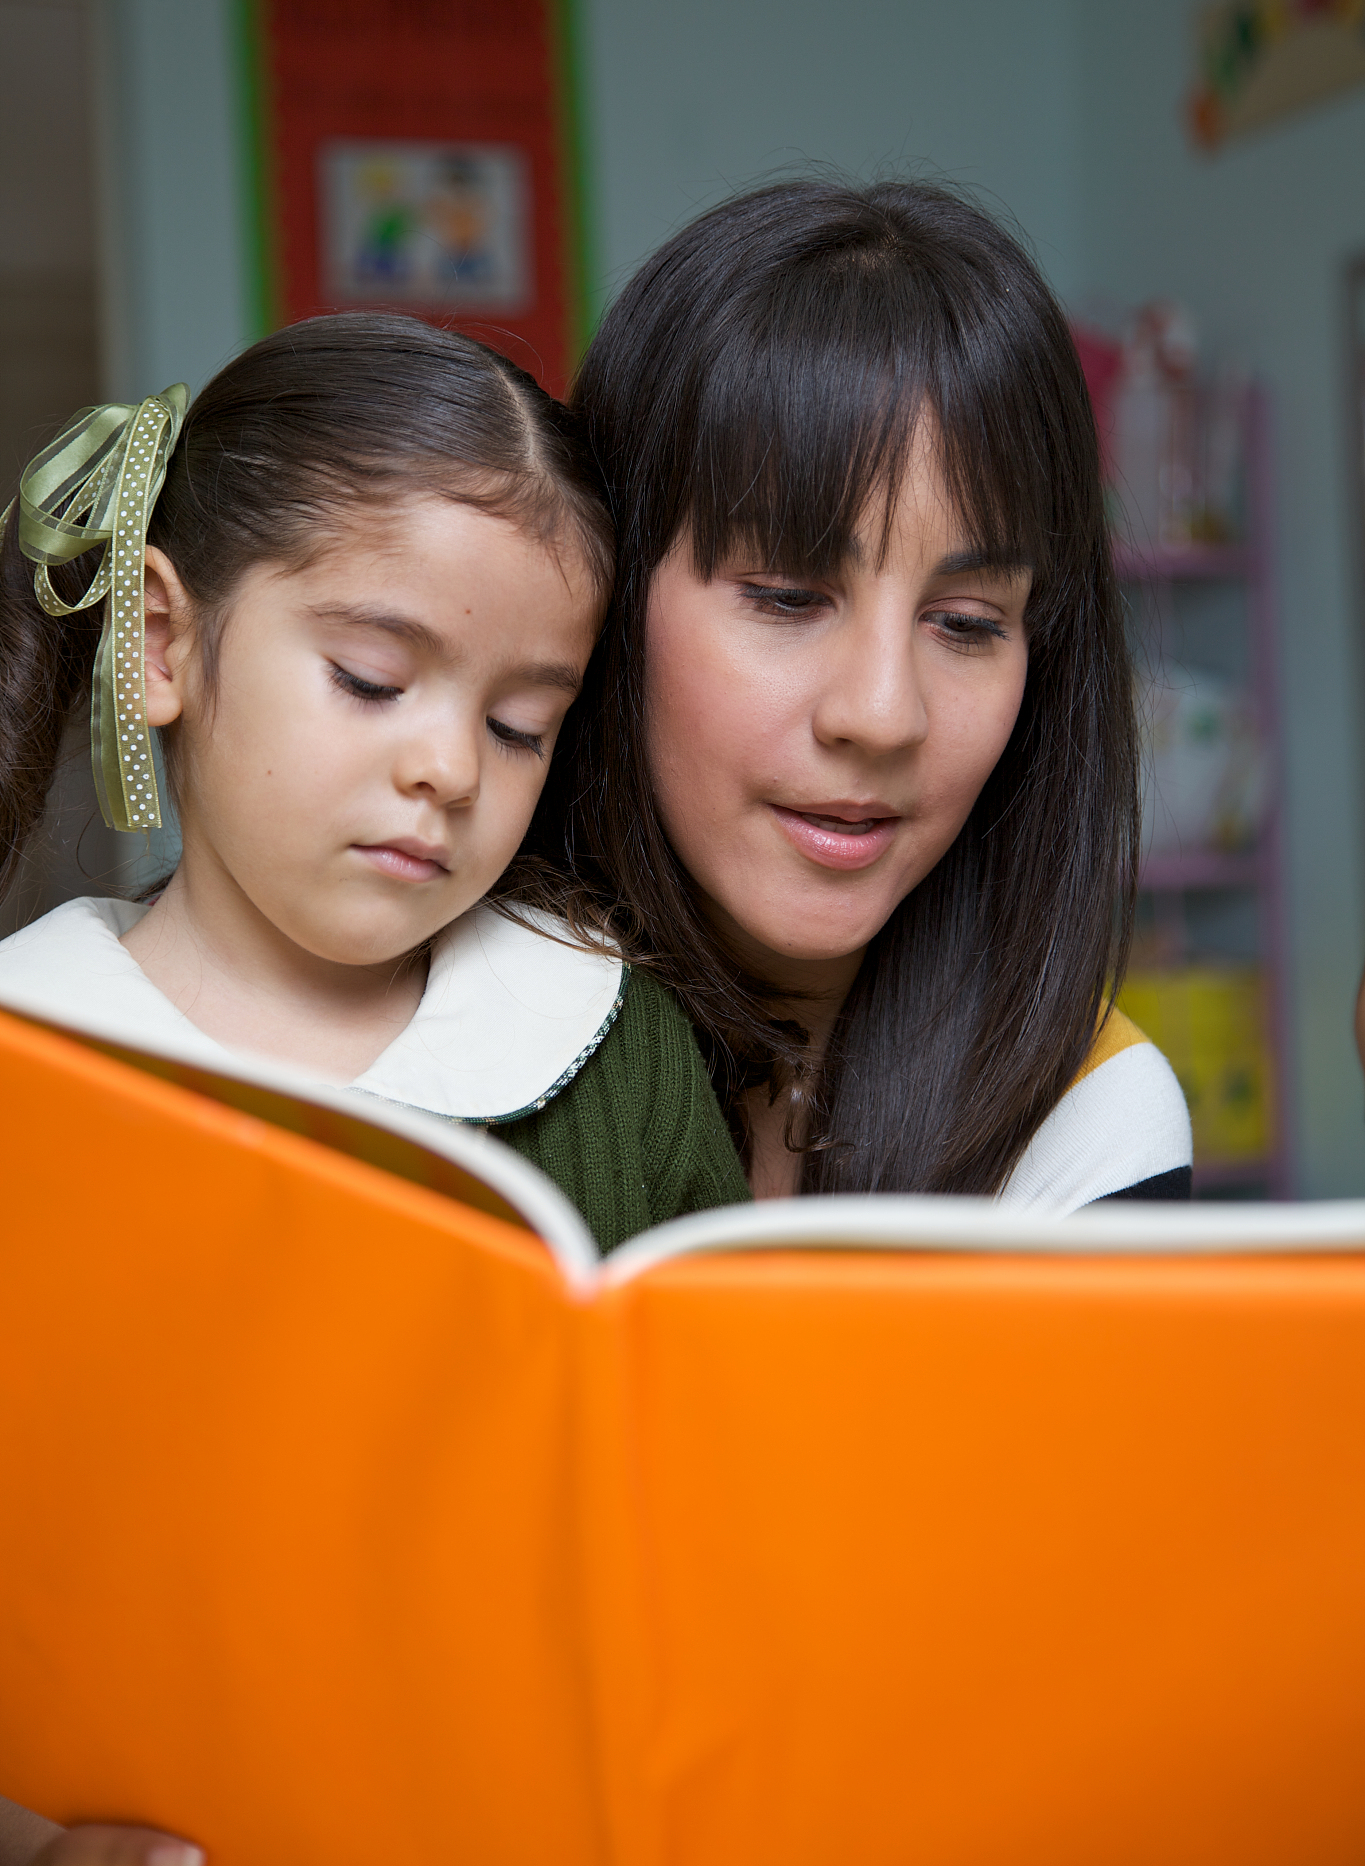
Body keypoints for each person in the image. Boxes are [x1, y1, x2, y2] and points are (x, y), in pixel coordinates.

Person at [0, 314, 746, 1253]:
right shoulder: (29, 1051)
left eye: (520, 728)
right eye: (370, 680)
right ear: (160, 642)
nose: (452, 770)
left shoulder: (611, 1039)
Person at [558, 176, 1192, 1207]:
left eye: (967, 624)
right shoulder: (421, 1014)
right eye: (786, 596)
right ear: (607, 596)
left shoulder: (1090, 1118)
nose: (883, 713)